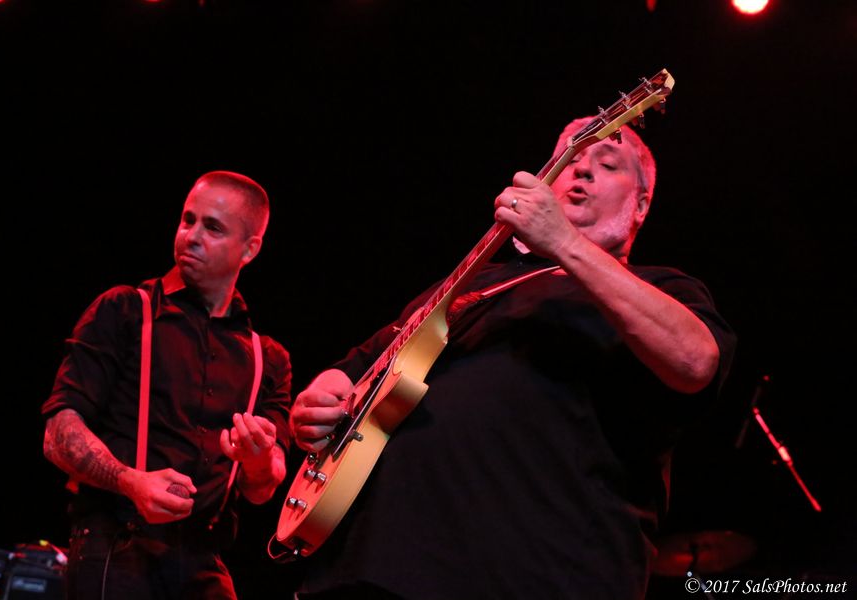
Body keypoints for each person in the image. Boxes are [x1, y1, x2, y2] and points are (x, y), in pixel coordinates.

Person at [289, 119, 736, 600]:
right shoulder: (463, 287)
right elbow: (359, 366)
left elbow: (696, 361)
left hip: (532, 575)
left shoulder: (660, 287)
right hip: (369, 569)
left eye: (607, 164)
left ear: (641, 205)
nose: (582, 170)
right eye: (571, 157)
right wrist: (320, 399)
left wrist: (564, 243)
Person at [42, 171, 292, 599]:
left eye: (212, 228)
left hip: (204, 558)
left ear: (249, 249)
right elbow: (57, 435)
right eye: (187, 220)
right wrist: (130, 482)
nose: (191, 236)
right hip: (118, 544)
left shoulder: (267, 357)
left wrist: (258, 459)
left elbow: (263, 488)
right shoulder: (125, 311)